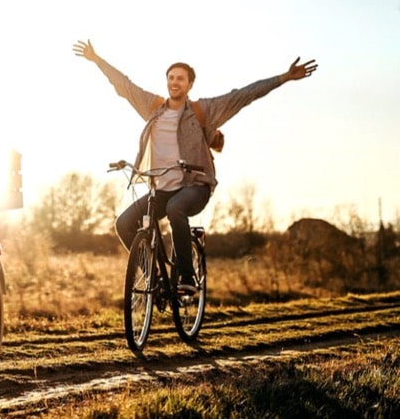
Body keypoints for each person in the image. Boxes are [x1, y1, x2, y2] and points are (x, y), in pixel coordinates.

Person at [72, 39, 317, 293]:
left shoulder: (204, 110)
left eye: (180, 79)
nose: (174, 82)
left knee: (175, 208)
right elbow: (124, 85)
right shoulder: (153, 108)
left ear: (189, 84)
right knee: (124, 223)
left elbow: (244, 95)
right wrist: (97, 59)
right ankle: (154, 275)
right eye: (171, 78)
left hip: (194, 186)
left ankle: (186, 277)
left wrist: (284, 78)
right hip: (162, 187)